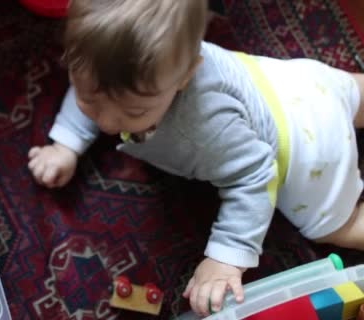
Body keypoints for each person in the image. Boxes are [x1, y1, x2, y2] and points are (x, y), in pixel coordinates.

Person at [27, 0, 364, 317]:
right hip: (303, 84)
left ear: (187, 75)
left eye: (134, 112)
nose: (108, 122)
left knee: (332, 227)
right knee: (347, 92)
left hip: (310, 150)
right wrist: (67, 143)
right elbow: (101, 85)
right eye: (89, 98)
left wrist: (226, 257)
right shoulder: (135, 66)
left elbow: (257, 175)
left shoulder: (202, 130)